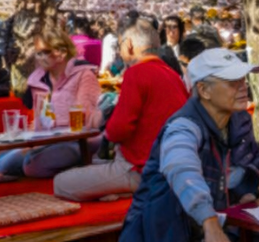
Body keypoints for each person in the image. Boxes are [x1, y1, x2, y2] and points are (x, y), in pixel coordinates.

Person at [119, 48, 259, 242]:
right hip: (157, 233)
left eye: (243, 80)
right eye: (232, 82)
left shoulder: (235, 122)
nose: (243, 87)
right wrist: (210, 222)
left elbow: (234, 173)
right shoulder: (184, 126)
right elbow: (181, 167)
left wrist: (254, 185)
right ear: (203, 90)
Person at [56, 22, 189, 201]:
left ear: (129, 45)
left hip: (139, 168)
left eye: (120, 45)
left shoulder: (137, 73)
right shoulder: (172, 75)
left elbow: (118, 130)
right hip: (170, 166)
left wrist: (106, 125)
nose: (120, 51)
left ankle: (133, 189)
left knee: (60, 183)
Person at [0, 24, 102, 178]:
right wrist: (31, 142)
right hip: (45, 141)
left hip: (77, 142)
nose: (40, 58)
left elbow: (87, 119)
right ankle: (41, 159)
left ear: (62, 53)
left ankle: (78, 166)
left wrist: (48, 141)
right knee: (3, 162)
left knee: (31, 166)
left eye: (45, 52)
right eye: (37, 53)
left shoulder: (83, 75)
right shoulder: (37, 80)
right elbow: (38, 120)